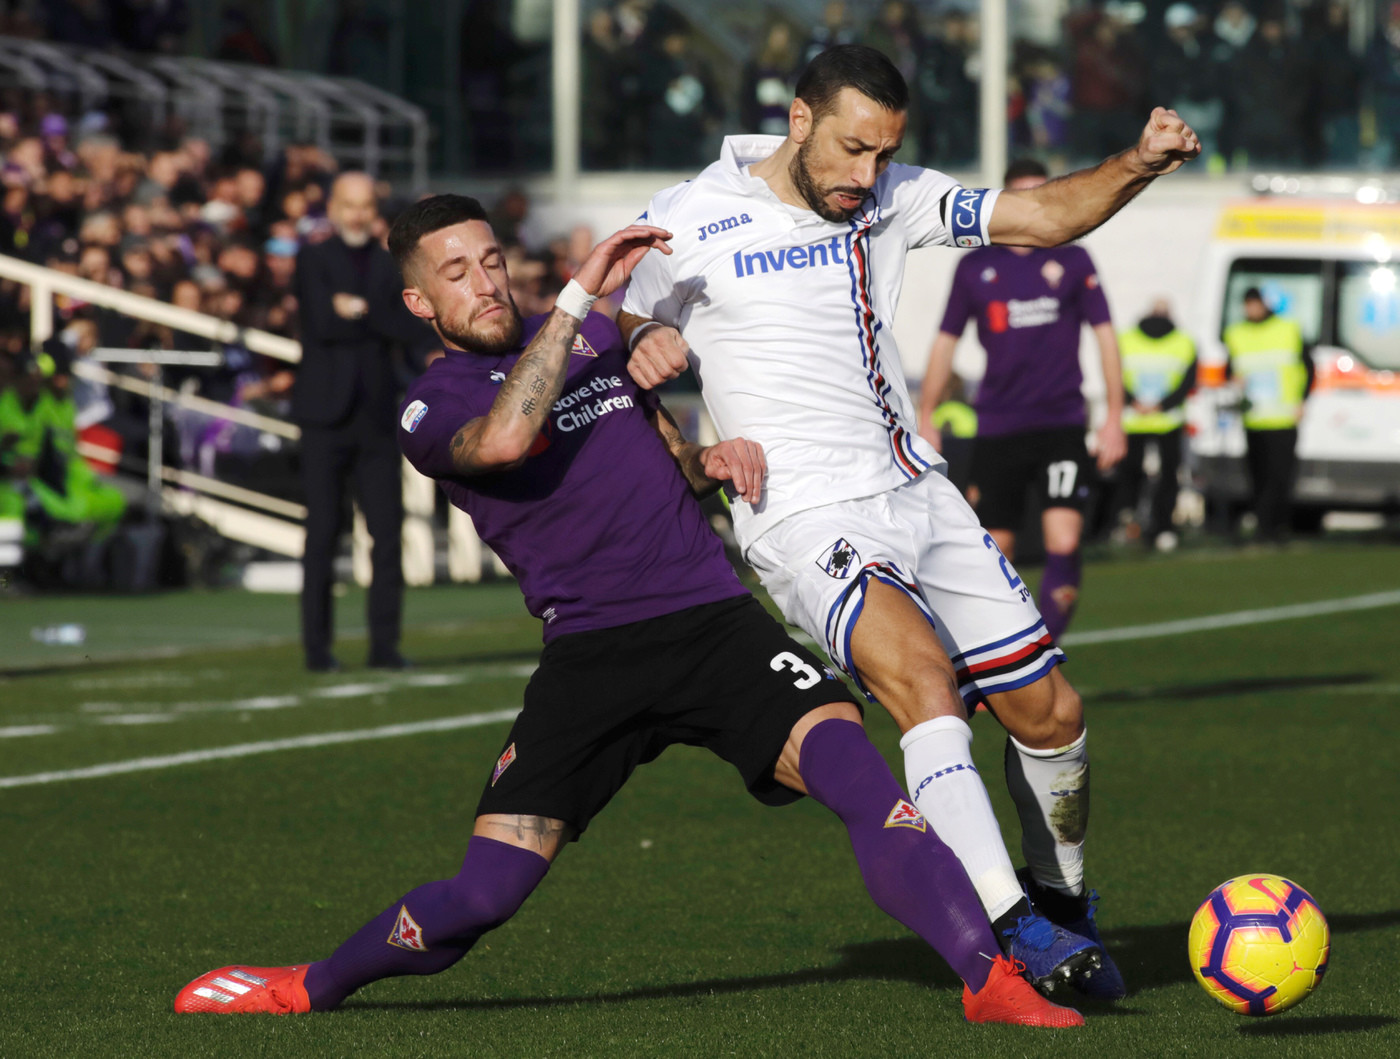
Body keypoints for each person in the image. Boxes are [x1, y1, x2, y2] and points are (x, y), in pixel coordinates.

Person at [172, 196, 1082, 1028]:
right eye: (455, 274)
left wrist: (708, 462)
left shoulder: (596, 344)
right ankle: (310, 983)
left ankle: (987, 977)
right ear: (420, 305)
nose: (484, 283)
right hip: (591, 657)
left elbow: (664, 451)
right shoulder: (430, 402)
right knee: (486, 892)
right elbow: (507, 438)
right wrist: (579, 303)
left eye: (490, 260)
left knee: (861, 778)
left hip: (713, 622)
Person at [620, 44, 1200, 999]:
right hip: (803, 513)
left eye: (884, 154)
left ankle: (1062, 901)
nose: (867, 176)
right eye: (852, 150)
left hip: (919, 490)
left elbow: (1045, 217)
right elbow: (609, 325)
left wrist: (1136, 162)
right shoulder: (685, 217)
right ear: (798, 121)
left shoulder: (894, 195)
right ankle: (1012, 926)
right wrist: (654, 361)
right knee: (923, 682)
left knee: (1051, 714)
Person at [920, 157, 1127, 645]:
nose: (1039, 207)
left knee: (1065, 539)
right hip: (998, 426)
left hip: (1061, 421)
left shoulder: (1074, 260)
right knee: (996, 551)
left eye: (1046, 195)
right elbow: (945, 342)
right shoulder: (976, 266)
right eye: (1028, 197)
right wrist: (925, 415)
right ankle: (1003, 655)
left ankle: (1045, 651)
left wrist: (1115, 416)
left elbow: (1106, 337)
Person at [291, 172, 428, 672]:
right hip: (323, 417)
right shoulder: (312, 257)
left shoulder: (389, 263)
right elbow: (320, 323)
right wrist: (364, 317)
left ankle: (385, 646)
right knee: (322, 533)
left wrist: (358, 312)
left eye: (365, 205)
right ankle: (316, 649)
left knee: (387, 535)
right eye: (349, 205)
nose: (356, 214)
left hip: (374, 416)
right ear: (332, 206)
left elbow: (405, 327)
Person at [1222, 286, 1313, 543]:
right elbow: (1229, 369)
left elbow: (1308, 367)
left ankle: (1278, 525)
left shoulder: (1288, 329)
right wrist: (1233, 380)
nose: (1252, 309)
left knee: (1280, 474)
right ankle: (1263, 525)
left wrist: (1302, 400)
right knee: (1258, 474)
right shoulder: (1236, 333)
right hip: (1253, 417)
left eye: (1255, 303)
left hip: (1283, 417)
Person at [1112, 298, 1196, 551]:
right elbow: (1188, 381)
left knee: (1139, 478)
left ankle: (1137, 525)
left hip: (1141, 418)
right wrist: (1160, 405)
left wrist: (1135, 403)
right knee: (1156, 478)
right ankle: (1152, 528)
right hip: (1159, 419)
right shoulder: (1183, 341)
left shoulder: (1127, 338)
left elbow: (1113, 375)